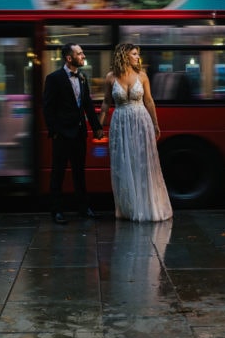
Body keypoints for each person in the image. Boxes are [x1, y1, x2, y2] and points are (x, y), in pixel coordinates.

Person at [98, 43, 173, 222]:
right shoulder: (110, 77)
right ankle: (128, 208)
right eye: (134, 54)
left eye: (137, 54)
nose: (137, 57)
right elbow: (106, 103)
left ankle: (145, 207)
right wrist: (99, 126)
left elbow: (149, 101)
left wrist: (155, 124)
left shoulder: (142, 76)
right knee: (123, 164)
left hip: (141, 122)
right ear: (124, 56)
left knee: (142, 163)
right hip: (120, 123)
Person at [42, 43, 105, 224]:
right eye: (80, 53)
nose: (83, 56)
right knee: (58, 173)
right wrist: (54, 131)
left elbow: (87, 106)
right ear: (69, 58)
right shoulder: (54, 78)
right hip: (62, 134)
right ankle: (56, 211)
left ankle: (83, 208)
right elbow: (48, 108)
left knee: (79, 172)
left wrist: (97, 127)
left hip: (79, 133)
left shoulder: (83, 77)